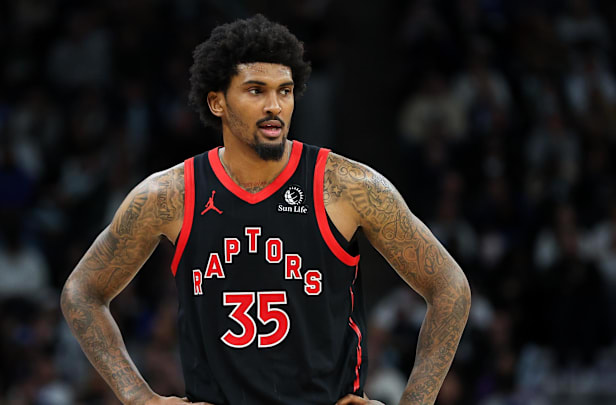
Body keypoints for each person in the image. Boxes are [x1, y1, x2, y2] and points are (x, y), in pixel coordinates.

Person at [61, 14, 470, 405]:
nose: (275, 105)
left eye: (285, 90)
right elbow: (81, 293)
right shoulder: (170, 195)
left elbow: (450, 287)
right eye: (256, 90)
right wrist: (139, 397)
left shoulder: (346, 186)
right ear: (217, 102)